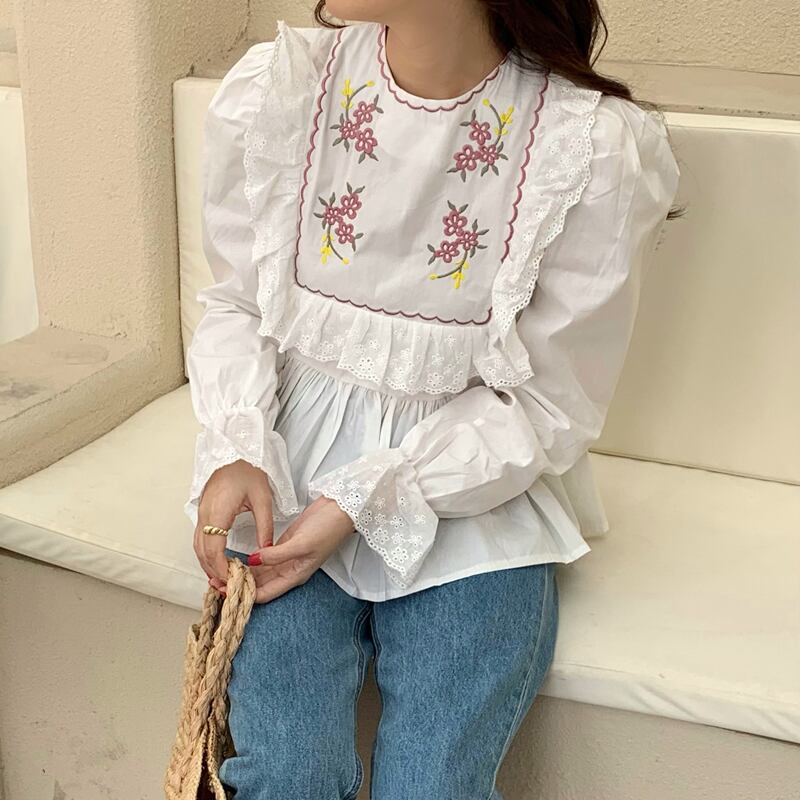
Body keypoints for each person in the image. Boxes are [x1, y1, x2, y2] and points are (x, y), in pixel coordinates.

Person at [183, 2, 682, 797]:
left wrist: (364, 499)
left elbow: (548, 404)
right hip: (285, 480)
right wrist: (236, 446)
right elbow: (241, 304)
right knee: (286, 776)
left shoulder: (585, 146)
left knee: (433, 786)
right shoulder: (280, 91)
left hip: (473, 498)